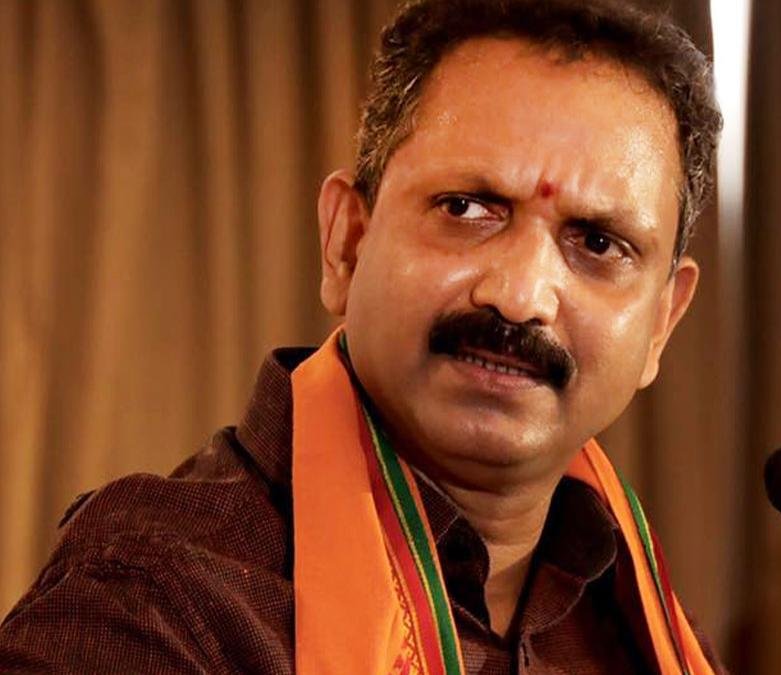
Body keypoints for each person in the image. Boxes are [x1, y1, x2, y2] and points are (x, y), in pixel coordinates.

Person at [0, 0, 723, 672]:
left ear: (662, 324)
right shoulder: (158, 600)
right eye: (466, 208)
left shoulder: (639, 624)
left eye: (597, 243)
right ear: (346, 243)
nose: (520, 295)